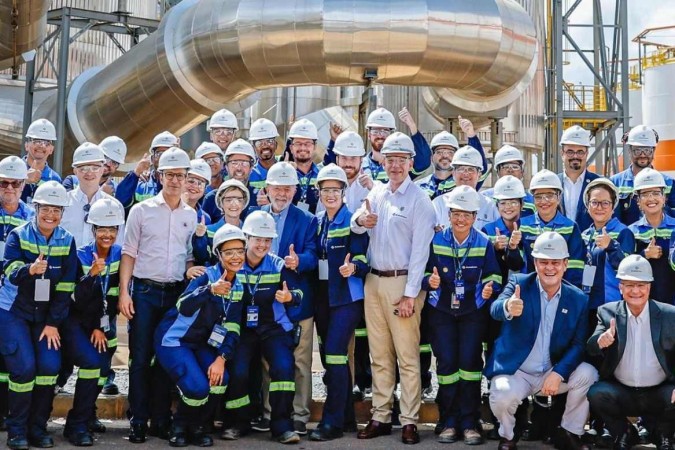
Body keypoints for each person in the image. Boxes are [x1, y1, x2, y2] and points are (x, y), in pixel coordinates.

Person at [351, 132, 436, 445]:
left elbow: (420, 255)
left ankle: (410, 419)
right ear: (383, 162)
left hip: (403, 283)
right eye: (390, 159)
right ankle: (381, 415)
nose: (396, 165)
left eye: (401, 159)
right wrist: (362, 219)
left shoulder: (420, 201)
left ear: (411, 163)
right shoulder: (378, 194)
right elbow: (355, 223)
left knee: (407, 357)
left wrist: (411, 294)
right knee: (379, 355)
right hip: (374, 281)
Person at [486, 232, 598, 450]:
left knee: (588, 375)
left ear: (565, 264)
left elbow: (578, 344)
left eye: (555, 262)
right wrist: (508, 306)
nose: (549, 268)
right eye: (543, 262)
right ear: (535, 262)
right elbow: (495, 309)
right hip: (518, 371)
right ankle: (508, 435)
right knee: (500, 393)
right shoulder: (519, 283)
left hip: (552, 371)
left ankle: (569, 432)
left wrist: (559, 373)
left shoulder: (578, 299)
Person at [118, 147, 197, 443]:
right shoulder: (141, 210)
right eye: (170, 174)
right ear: (160, 175)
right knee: (139, 358)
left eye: (181, 175)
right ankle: (138, 420)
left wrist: (191, 271)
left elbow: (188, 255)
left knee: (166, 358)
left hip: (174, 294)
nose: (176, 180)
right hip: (145, 293)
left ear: (187, 177)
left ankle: (161, 420)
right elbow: (128, 253)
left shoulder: (191, 214)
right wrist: (124, 293)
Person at [422, 186, 502, 445]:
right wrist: (429, 281)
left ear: (475, 216)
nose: (460, 220)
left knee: (469, 365)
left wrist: (491, 287)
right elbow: (422, 273)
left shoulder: (483, 242)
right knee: (446, 365)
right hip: (441, 311)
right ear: (448, 214)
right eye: (456, 214)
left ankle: (469, 422)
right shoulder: (435, 241)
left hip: (472, 312)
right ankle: (448, 420)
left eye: (466, 215)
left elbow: (494, 274)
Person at [0, 181, 76, 449]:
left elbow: (66, 287)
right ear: (36, 208)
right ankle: (17, 430)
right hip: (13, 311)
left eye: (57, 210)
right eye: (46, 209)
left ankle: (37, 427)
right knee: (23, 369)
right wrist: (29, 270)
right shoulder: (18, 236)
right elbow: (9, 269)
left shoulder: (67, 240)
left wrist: (53, 323)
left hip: (45, 316)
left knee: (48, 367)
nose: (51, 215)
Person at [155, 224, 246, 448]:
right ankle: (179, 426)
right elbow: (183, 306)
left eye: (240, 251)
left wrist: (221, 358)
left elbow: (233, 327)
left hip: (201, 343)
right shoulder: (206, 276)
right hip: (174, 341)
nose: (235, 257)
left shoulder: (240, 286)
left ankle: (198, 426)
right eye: (228, 252)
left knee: (220, 380)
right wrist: (210, 290)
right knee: (197, 387)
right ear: (218, 255)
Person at [220, 211, 303, 444]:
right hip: (242, 329)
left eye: (267, 240)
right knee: (238, 372)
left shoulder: (279, 265)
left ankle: (282, 426)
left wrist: (289, 297)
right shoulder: (234, 265)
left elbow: (299, 293)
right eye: (258, 239)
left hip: (272, 328)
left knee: (284, 368)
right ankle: (238, 423)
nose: (263, 244)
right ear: (246, 238)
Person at [587, 255, 675, 450]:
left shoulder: (669, 314)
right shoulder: (607, 312)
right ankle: (625, 432)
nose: (635, 291)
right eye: (629, 285)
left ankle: (664, 433)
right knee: (597, 393)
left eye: (641, 285)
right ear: (620, 287)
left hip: (659, 390)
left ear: (649, 287)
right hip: (622, 391)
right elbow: (591, 347)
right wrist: (601, 341)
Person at [309, 165, 369, 441]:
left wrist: (353, 269)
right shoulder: (319, 220)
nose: (330, 194)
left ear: (344, 192)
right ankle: (346, 418)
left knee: (334, 353)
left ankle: (331, 423)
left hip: (346, 298)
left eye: (335, 189)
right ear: (319, 193)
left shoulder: (352, 221)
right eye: (325, 190)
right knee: (331, 357)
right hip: (323, 297)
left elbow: (364, 259)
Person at [258, 162, 319, 435]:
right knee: (267, 362)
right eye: (277, 188)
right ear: (267, 189)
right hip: (264, 303)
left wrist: (297, 261)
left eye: (287, 188)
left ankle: (300, 415)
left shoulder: (307, 220)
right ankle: (270, 413)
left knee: (300, 362)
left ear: (295, 190)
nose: (281, 193)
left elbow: (313, 256)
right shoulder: (256, 217)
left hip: (297, 302)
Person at [61, 198, 124, 446]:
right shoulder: (80, 255)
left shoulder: (120, 254)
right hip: (77, 322)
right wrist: (91, 276)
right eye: (102, 229)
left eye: (112, 229)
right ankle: (75, 424)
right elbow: (75, 299)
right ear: (93, 229)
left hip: (104, 322)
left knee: (102, 369)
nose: (107, 234)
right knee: (92, 363)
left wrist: (101, 325)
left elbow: (116, 292)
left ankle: (87, 414)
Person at [0, 156, 35, 428]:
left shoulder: (33, 217)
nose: (9, 188)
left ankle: (9, 415)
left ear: (24, 184)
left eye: (15, 183)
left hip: (14, 300)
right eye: (3, 183)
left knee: (11, 359)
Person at [579, 178, 635, 318]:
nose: (599, 207)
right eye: (594, 202)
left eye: (605, 203)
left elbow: (628, 269)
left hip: (612, 305)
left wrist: (610, 246)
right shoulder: (585, 234)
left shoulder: (623, 232)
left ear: (613, 205)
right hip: (587, 304)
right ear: (587, 205)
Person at [519, 169, 585, 285]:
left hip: (562, 291)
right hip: (530, 291)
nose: (544, 201)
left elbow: (575, 266)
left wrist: (565, 292)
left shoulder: (570, 227)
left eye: (549, 196)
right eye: (538, 197)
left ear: (559, 197)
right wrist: (512, 247)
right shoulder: (523, 225)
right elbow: (517, 264)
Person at [60, 142, 124, 247]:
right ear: (75, 171)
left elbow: (118, 246)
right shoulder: (62, 203)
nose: (89, 173)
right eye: (83, 168)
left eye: (95, 168)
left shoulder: (115, 206)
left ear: (103, 169)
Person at [611, 125, 675, 225]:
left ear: (653, 151)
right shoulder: (615, 183)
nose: (642, 155)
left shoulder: (669, 183)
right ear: (629, 151)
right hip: (626, 238)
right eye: (637, 150)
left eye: (647, 150)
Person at [629, 168, 675, 305]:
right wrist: (644, 255)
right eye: (645, 194)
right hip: (642, 305)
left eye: (656, 193)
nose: (651, 198)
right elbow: (624, 267)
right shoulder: (631, 232)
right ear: (638, 201)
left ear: (664, 198)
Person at [433, 146, 498, 231]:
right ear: (453, 173)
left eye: (471, 169)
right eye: (461, 169)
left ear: (479, 174)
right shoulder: (439, 204)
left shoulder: (490, 206)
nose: (466, 174)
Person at [115, 131, 180, 212]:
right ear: (152, 158)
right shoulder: (142, 183)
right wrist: (135, 173)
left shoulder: (184, 185)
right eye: (160, 154)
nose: (164, 158)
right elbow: (120, 201)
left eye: (169, 154)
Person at [192, 179, 250, 268]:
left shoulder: (249, 232)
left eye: (239, 199)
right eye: (228, 200)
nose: (234, 204)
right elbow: (202, 260)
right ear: (221, 203)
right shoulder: (208, 231)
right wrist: (199, 238)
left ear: (244, 203)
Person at [557, 125, 600, 232]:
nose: (575, 156)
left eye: (580, 152)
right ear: (562, 153)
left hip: (590, 245)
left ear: (587, 153)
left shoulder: (599, 184)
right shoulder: (553, 183)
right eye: (570, 152)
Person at [202, 139, 256, 222]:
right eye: (234, 162)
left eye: (244, 163)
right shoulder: (212, 198)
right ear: (226, 166)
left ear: (251, 168)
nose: (239, 168)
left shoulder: (258, 197)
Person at [482, 145, 535, 217]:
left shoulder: (532, 203)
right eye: (505, 167)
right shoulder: (485, 199)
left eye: (515, 167)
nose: (510, 170)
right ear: (498, 172)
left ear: (522, 172)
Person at [63, 136, 127, 195]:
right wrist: (101, 194)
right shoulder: (71, 181)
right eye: (106, 158)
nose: (108, 164)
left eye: (114, 162)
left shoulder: (117, 190)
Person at [21, 119, 62, 204]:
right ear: (26, 145)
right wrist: (24, 181)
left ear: (51, 149)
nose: (41, 146)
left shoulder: (54, 179)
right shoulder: (11, 170)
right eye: (36, 141)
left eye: (47, 142)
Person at [288, 119, 321, 214]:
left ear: (314, 147)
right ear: (291, 148)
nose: (303, 148)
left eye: (307, 144)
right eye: (298, 143)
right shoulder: (284, 175)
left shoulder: (321, 175)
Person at [248, 118, 280, 208]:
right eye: (259, 143)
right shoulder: (248, 174)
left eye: (269, 141)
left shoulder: (285, 170)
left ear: (276, 145)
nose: (265, 145)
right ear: (253, 147)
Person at [182, 159, 213, 224]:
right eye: (191, 181)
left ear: (205, 189)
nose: (195, 186)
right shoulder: (165, 209)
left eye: (200, 183)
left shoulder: (205, 219)